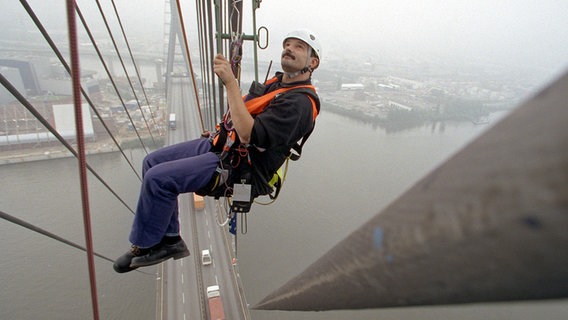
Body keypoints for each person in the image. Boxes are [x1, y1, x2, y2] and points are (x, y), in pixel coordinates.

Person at [113, 29, 322, 273]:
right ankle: (169, 238)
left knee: (158, 179)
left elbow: (248, 134)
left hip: (238, 166)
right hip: (224, 145)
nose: (289, 48)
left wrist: (230, 83)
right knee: (151, 162)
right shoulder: (276, 84)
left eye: (298, 47)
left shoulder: (299, 104)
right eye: (287, 44)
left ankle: (149, 244)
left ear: (313, 62)